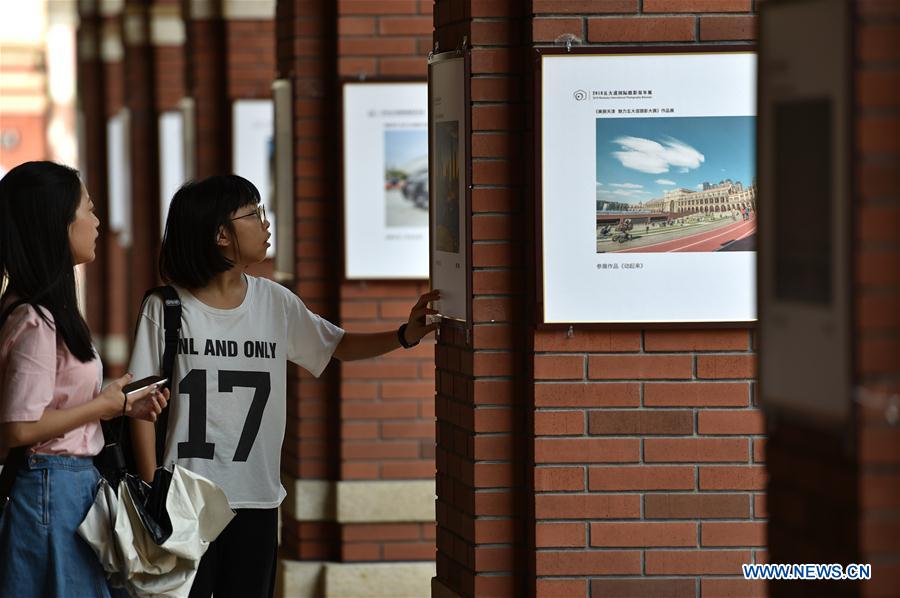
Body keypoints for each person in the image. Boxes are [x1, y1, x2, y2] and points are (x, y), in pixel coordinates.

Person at [128, 175, 439, 598]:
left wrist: (405, 335)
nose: (266, 223)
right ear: (221, 235)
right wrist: (153, 495)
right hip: (183, 500)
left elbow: (336, 345)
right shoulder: (165, 310)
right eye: (254, 214)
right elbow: (140, 410)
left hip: (256, 499)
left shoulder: (275, 302)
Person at [0, 161, 168, 597]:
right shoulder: (35, 320)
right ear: (59, 223)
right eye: (88, 209)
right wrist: (103, 406)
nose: (97, 222)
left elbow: (54, 403)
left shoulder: (45, 310)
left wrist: (120, 403)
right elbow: (18, 427)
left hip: (66, 486)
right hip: (51, 489)